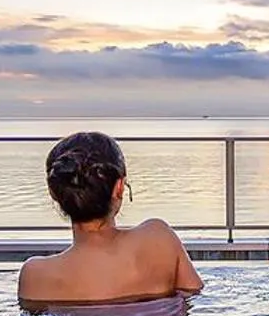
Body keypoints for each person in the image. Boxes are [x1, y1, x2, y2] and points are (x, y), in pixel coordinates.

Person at [18, 131, 204, 305]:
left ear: (54, 193)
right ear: (119, 188)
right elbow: (193, 297)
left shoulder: (35, 275)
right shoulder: (158, 238)